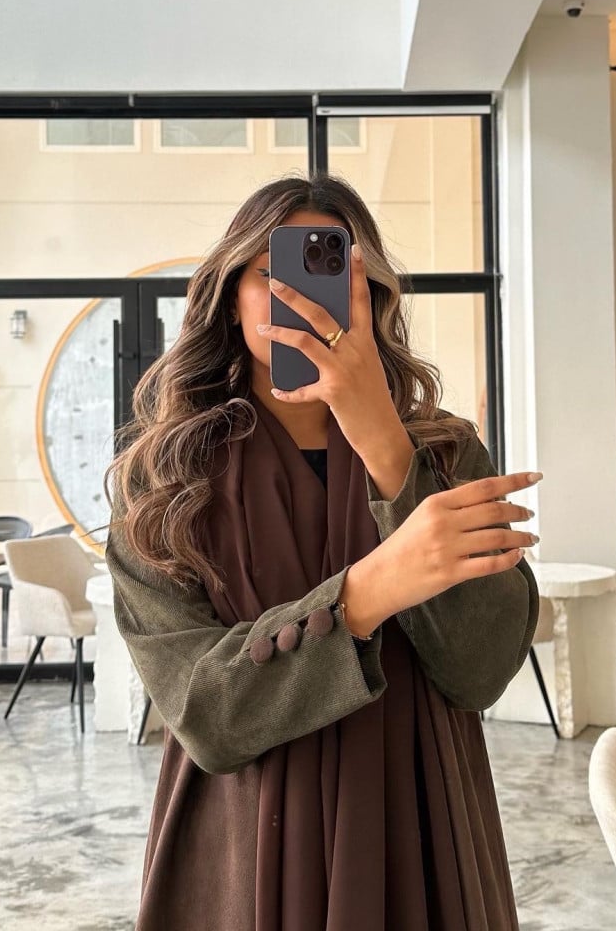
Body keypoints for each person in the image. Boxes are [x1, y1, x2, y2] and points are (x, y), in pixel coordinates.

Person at [104, 173, 542, 931]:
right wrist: (368, 593)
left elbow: (483, 671)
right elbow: (205, 715)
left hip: (419, 823)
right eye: (273, 275)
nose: (303, 302)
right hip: (241, 846)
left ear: (373, 299)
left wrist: (388, 451)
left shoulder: (444, 454)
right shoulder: (165, 483)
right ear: (229, 296)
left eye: (337, 278)